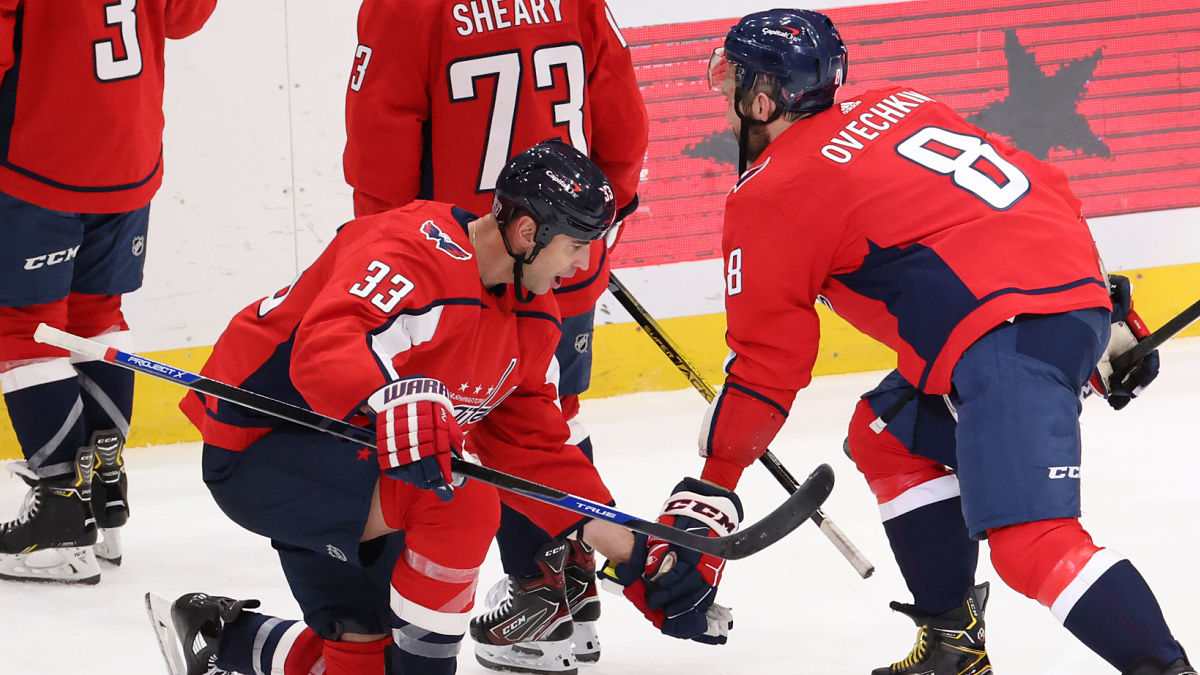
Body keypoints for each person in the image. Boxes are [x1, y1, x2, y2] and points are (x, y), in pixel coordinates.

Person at [629, 8, 1191, 675]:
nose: (726, 112)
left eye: (732, 95)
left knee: (1031, 542)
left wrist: (712, 486)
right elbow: (1044, 188)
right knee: (886, 433)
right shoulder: (901, 104)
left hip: (1003, 335)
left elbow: (767, 365)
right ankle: (953, 642)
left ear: (762, 100)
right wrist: (1102, 308)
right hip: (1059, 299)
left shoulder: (772, 192)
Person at [146, 142, 728, 675]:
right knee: (463, 503)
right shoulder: (410, 248)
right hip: (268, 443)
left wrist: (631, 555)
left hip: (371, 469)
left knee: (365, 661)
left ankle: (224, 637)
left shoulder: (534, 315)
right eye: (575, 246)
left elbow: (531, 448)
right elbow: (326, 345)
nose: (581, 265)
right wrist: (393, 397)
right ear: (527, 231)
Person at [342, 0, 649, 670]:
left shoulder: (406, 9)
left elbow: (381, 140)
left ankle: (543, 601)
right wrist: (601, 224)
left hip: (468, 267)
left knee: (486, 424)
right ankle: (571, 590)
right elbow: (620, 102)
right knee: (547, 418)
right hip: (568, 254)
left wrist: (389, 250)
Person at [0, 0, 217, 584]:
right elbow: (185, 16)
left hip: (39, 151)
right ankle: (102, 495)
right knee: (96, 312)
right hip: (129, 150)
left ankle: (61, 518)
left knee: (21, 325)